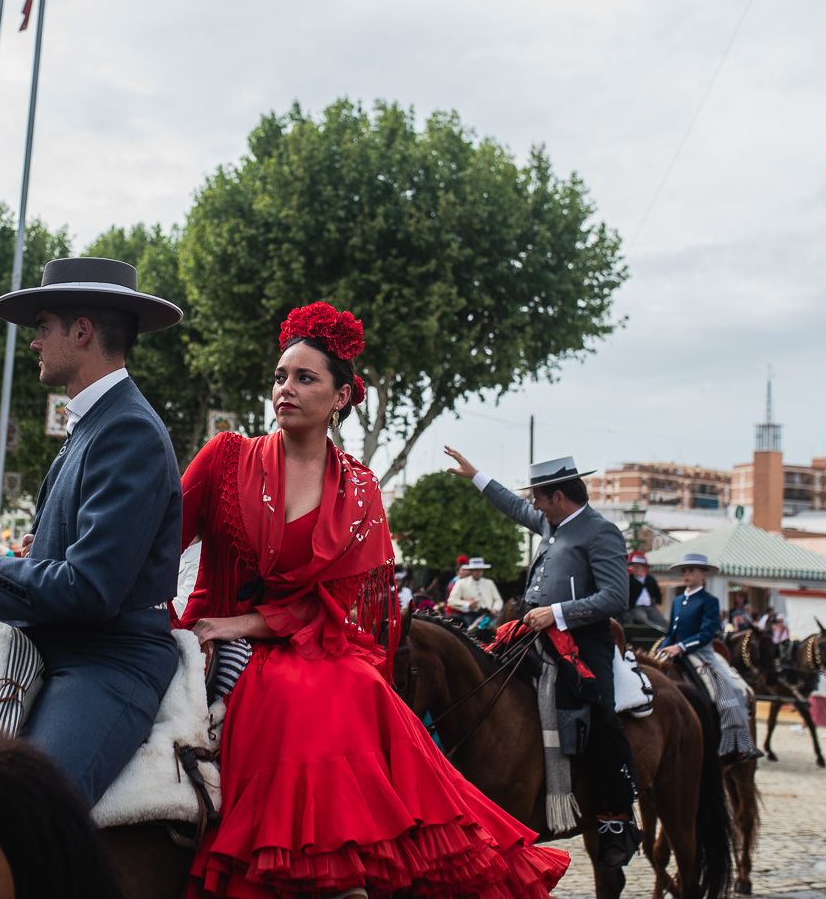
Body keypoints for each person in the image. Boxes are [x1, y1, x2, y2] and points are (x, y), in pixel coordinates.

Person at [178, 303, 569, 899]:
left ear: (340, 396)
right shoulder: (226, 455)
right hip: (212, 632)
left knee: (358, 686)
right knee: (326, 690)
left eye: (305, 378)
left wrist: (246, 622)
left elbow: (337, 605)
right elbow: (157, 538)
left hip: (299, 637)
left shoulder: (360, 490)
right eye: (281, 375)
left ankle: (609, 805)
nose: (286, 388)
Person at [0, 257, 184, 806]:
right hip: (60, 646)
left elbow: (91, 588)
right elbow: (67, 559)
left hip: (107, 661)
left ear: (82, 331)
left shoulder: (128, 428)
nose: (35, 342)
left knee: (31, 807)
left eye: (43, 327)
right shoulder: (97, 422)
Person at [444, 446, 640, 868]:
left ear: (558, 495)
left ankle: (615, 816)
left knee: (602, 715)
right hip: (533, 633)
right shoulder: (550, 524)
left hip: (585, 643)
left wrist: (558, 612)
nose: (532, 503)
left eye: (538, 496)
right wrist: (476, 474)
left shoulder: (599, 531)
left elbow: (615, 597)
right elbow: (514, 507)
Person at [657, 553, 761, 763]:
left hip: (701, 654)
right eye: (685, 571)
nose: (687, 574)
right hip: (673, 651)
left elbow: (706, 634)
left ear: (704, 574)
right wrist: (664, 647)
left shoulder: (709, 601)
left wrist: (682, 646)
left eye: (692, 570)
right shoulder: (677, 600)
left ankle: (738, 744)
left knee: (730, 690)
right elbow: (671, 631)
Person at [448, 557, 503, 627]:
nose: (478, 572)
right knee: (469, 633)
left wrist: (495, 609)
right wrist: (467, 604)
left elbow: (498, 600)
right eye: (476, 570)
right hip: (471, 616)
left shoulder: (489, 583)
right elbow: (451, 601)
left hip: (489, 615)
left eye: (480, 570)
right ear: (471, 570)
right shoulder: (461, 583)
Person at [624, 550, 665, 628]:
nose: (634, 569)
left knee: (661, 621)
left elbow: (658, 593)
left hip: (650, 607)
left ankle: (663, 633)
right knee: (642, 619)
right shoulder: (629, 580)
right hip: (636, 608)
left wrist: (658, 605)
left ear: (643, 567)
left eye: (637, 567)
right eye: (633, 566)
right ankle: (652, 630)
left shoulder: (650, 579)